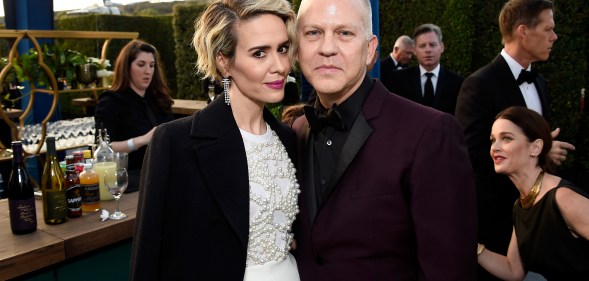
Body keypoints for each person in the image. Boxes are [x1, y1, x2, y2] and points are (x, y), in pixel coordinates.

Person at [292, 0, 478, 280]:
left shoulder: (429, 132)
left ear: (370, 50)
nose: (327, 48)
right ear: (297, 47)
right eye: (313, 33)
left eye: (344, 33)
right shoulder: (296, 130)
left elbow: (448, 270)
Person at [129, 0, 300, 280]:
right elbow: (148, 258)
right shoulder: (175, 143)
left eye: (282, 49)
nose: (280, 66)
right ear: (224, 61)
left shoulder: (289, 139)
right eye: (259, 53)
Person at [455, 1, 575, 279]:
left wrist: (542, 151)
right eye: (548, 29)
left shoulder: (540, 82)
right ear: (523, 31)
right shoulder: (479, 84)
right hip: (497, 222)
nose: (554, 37)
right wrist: (536, 153)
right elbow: (471, 154)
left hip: (539, 219)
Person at [480, 106, 589, 280]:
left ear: (536, 148)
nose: (495, 148)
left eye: (506, 138)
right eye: (493, 140)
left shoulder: (562, 197)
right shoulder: (521, 205)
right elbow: (513, 270)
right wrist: (475, 248)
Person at [94, 40, 174, 192]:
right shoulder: (110, 102)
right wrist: (142, 140)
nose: (148, 71)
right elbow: (103, 149)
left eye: (151, 65)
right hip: (129, 183)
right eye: (141, 64)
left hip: (164, 177)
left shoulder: (160, 100)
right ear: (127, 67)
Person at [383, 24, 463, 114]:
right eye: (422, 46)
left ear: (442, 47)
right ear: (414, 50)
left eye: (432, 45)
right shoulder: (398, 80)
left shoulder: (457, 83)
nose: (428, 50)